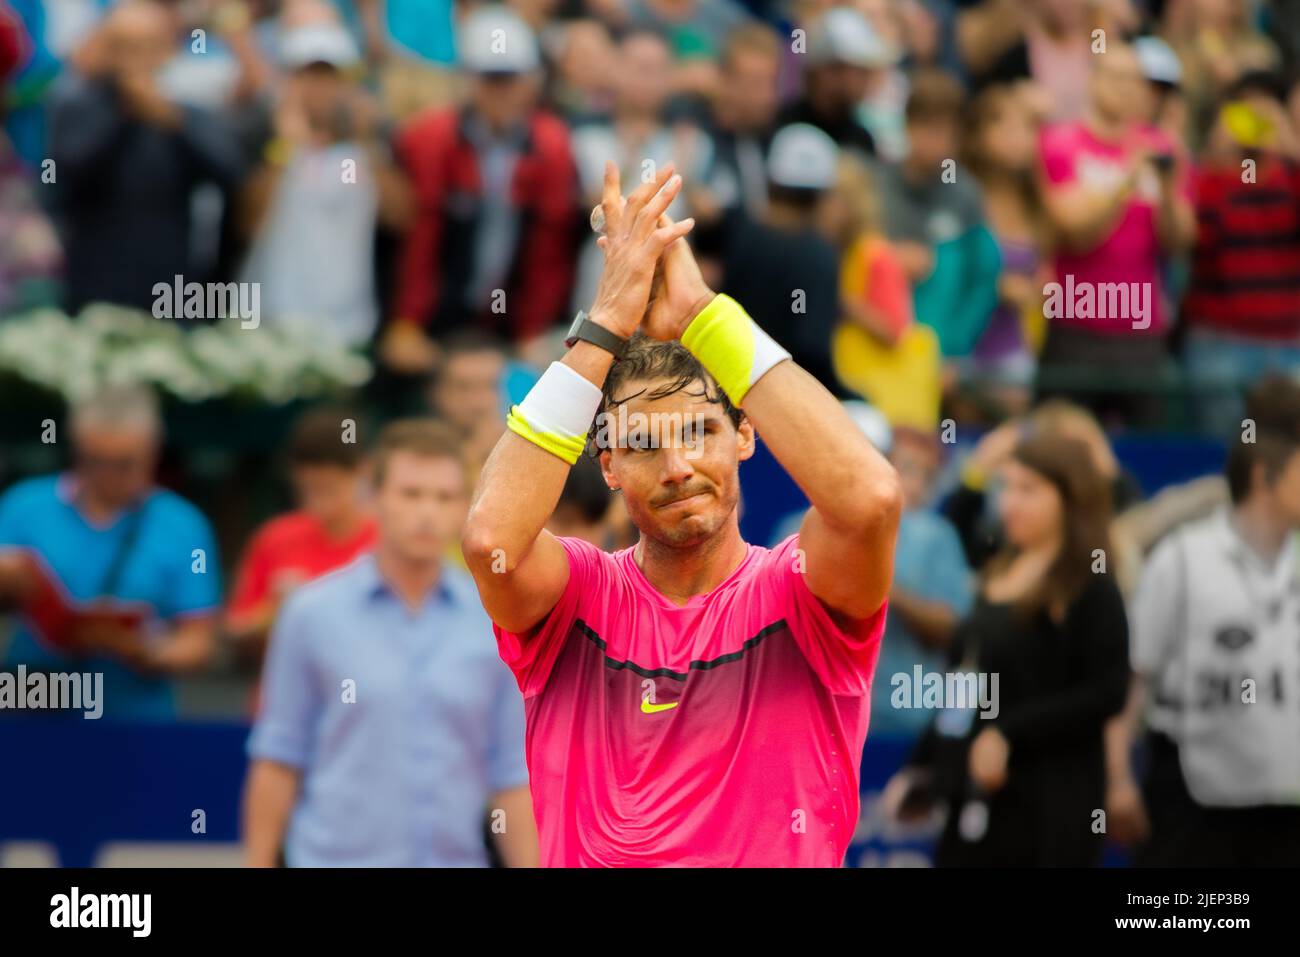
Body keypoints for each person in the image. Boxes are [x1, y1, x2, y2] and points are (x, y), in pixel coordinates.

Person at [461, 162, 902, 867]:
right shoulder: (575, 594)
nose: (675, 466)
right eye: (640, 442)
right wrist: (606, 320)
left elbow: (870, 500)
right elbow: (491, 543)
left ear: (747, 433)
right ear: (607, 464)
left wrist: (703, 313)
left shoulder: (804, 593)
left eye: (699, 431)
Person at [243, 419, 536, 867]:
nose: (427, 512)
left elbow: (511, 775)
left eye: (444, 497)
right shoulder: (312, 613)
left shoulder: (492, 620)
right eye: (411, 493)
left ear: (466, 506)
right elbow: (278, 756)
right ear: (374, 497)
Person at [887, 432, 1129, 866]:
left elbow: (1107, 691)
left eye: (1028, 490)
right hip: (974, 800)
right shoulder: (997, 571)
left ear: (1069, 498)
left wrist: (1008, 731)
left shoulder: (1091, 585)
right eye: (1007, 488)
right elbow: (965, 679)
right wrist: (923, 766)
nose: (1009, 503)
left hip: (1051, 801)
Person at [1125, 376, 1300, 866]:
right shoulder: (1184, 557)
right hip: (1193, 800)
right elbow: (1134, 675)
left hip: (1285, 803)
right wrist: (1117, 778)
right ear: (1265, 475)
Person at [0, 385, 221, 720]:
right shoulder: (23, 506)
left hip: (134, 715)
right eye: (94, 461)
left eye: (123, 464)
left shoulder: (185, 526)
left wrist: (147, 650)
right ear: (76, 450)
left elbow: (199, 640)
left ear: (153, 454)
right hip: (31, 699)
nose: (107, 476)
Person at [381, 5, 577, 372]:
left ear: (532, 81)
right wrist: (407, 321)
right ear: (469, 80)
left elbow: (549, 246)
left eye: (510, 78)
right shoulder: (429, 139)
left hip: (510, 326)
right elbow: (420, 234)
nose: (501, 91)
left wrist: (531, 330)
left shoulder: (552, 147)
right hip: (437, 321)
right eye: (490, 78)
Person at [1035, 41, 1197, 429]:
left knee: (1150, 448)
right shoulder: (1060, 143)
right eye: (1116, 76)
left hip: (1140, 329)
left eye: (1135, 80)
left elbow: (1181, 241)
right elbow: (1074, 230)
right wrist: (1128, 174)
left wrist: (1171, 192)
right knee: (1060, 439)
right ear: (1092, 80)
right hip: (1075, 323)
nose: (1126, 88)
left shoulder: (1165, 150)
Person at [46, 0, 244, 315]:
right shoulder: (76, 105)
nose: (135, 60)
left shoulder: (185, 113)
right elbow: (62, 178)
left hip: (169, 284)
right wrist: (124, 114)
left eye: (148, 47)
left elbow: (230, 175)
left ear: (167, 51)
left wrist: (176, 124)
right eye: (124, 47)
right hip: (94, 282)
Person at [235, 16, 412, 347]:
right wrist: (285, 147)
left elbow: (400, 217)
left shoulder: (372, 143)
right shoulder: (256, 135)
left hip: (349, 325)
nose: (318, 88)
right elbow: (246, 224)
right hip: (266, 325)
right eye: (306, 75)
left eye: (330, 77)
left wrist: (368, 141)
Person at [225, 406, 377, 699]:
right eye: (310, 489)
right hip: (284, 698)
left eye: (330, 488)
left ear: (363, 473)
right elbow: (235, 631)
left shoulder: (386, 541)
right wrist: (274, 610)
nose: (319, 501)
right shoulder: (274, 538)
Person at [1182, 70, 1300, 435]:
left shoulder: (1292, 177)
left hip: (1288, 343)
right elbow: (1193, 239)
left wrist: (1290, 147)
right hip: (1220, 344)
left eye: (1263, 117)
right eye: (1242, 115)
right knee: (1223, 452)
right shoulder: (1208, 181)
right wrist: (1219, 155)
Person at [876, 69, 1001, 385]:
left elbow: (983, 280)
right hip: (878, 352)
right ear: (907, 126)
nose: (937, 142)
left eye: (947, 132)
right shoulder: (875, 187)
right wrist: (887, 259)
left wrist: (955, 352)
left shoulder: (966, 196)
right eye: (927, 128)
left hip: (940, 360)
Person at [718, 122, 844, 394]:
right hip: (789, 400)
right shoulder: (819, 254)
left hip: (731, 388)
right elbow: (812, 347)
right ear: (823, 195)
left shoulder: (744, 237)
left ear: (772, 182)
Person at [776, 6, 885, 160]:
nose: (867, 79)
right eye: (860, 70)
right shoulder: (783, 129)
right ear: (826, 72)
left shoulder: (861, 139)